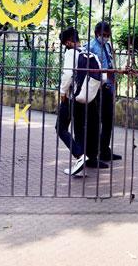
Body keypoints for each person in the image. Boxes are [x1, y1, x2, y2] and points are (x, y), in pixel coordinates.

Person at [56, 27, 101, 176]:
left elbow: (68, 73)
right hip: (84, 97)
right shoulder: (86, 52)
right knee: (80, 131)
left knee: (60, 127)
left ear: (68, 42)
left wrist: (62, 92)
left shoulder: (70, 52)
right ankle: (81, 163)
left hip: (70, 97)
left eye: (64, 44)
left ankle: (79, 156)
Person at [87, 21, 123, 162]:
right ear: (97, 34)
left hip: (108, 87)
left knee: (108, 121)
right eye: (103, 35)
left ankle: (105, 151)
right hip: (97, 88)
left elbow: (110, 64)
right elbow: (89, 68)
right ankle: (94, 153)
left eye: (108, 35)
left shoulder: (107, 46)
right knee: (96, 122)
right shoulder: (90, 47)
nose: (106, 37)